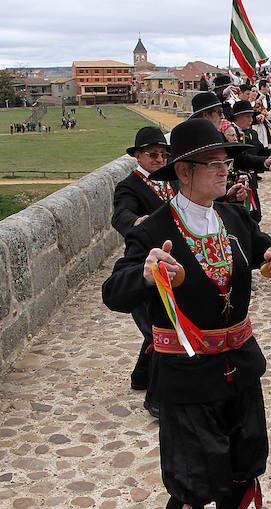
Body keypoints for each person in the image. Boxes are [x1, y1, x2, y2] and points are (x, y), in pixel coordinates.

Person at [102, 118, 271, 509]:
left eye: (226, 162)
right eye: (214, 163)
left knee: (243, 455)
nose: (225, 170)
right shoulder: (155, 229)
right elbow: (115, 291)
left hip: (239, 364)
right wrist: (148, 274)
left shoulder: (232, 218)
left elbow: (266, 246)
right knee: (197, 471)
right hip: (187, 374)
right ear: (184, 171)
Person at [111, 126, 176, 408]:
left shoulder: (173, 180)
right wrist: (138, 222)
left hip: (172, 259)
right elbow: (121, 214)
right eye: (152, 154)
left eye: (163, 154)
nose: (159, 159)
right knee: (155, 328)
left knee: (160, 325)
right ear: (137, 156)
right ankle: (157, 399)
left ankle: (140, 376)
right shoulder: (129, 186)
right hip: (144, 260)